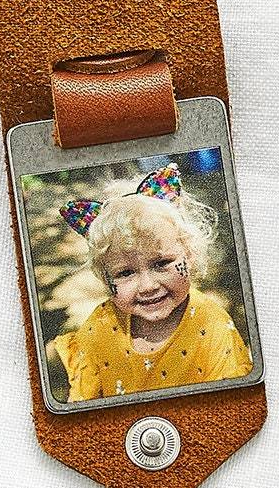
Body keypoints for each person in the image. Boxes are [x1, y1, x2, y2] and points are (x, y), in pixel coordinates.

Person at [53, 164, 252, 402]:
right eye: (125, 273)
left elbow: (231, 404)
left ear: (189, 255)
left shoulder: (212, 325)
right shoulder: (100, 327)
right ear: (105, 278)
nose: (148, 286)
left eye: (162, 263)